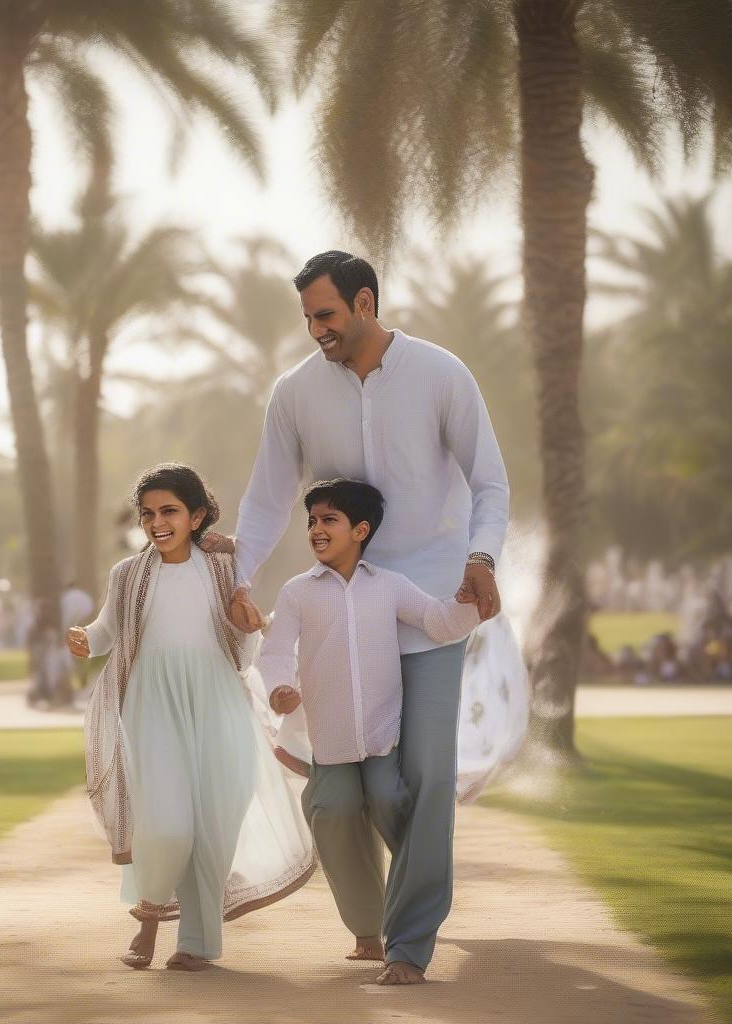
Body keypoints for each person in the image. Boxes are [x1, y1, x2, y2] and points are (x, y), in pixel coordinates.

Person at [226, 251, 509, 985]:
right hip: (338, 620)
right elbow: (264, 499)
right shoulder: (293, 394)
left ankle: (410, 941)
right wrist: (235, 577)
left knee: (424, 777)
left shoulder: (441, 373)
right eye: (308, 318)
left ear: (364, 302)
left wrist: (483, 557)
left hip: (429, 607)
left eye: (325, 314)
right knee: (344, 791)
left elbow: (488, 480)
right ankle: (382, 913)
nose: (316, 329)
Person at [67, 463, 315, 972]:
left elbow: (245, 646)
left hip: (219, 701)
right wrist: (84, 640)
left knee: (215, 822)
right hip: (152, 702)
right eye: (148, 514)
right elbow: (108, 632)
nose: (157, 522)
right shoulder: (129, 575)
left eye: (170, 511)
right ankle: (149, 918)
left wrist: (251, 624)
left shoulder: (225, 568)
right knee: (166, 823)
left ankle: (198, 942)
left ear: (197, 514)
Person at [256, 479, 479, 962]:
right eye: (311, 520)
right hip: (330, 743)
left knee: (388, 798)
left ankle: (418, 883)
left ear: (360, 530)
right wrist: (278, 688)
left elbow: (439, 622)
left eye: (328, 520)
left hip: (383, 737)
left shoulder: (390, 586)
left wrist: (469, 601)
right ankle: (366, 931)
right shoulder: (297, 593)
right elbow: (273, 652)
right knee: (332, 812)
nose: (316, 529)